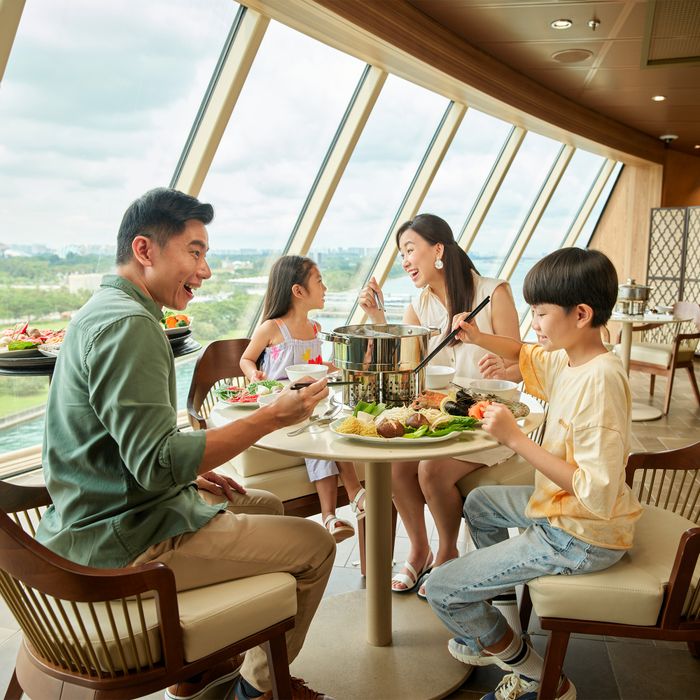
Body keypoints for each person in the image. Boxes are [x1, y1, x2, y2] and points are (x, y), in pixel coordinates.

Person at [36, 188, 336, 700]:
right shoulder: (131, 326)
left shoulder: (102, 310)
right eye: (194, 252)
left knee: (265, 503)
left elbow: (124, 441)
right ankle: (259, 691)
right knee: (316, 546)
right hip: (128, 540)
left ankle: (201, 673)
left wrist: (189, 472)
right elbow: (156, 464)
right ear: (144, 250)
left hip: (96, 514)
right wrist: (269, 417)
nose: (205, 270)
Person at [425, 247, 643, 700]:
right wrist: (478, 336)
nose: (534, 323)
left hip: (581, 535)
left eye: (541, 313)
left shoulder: (601, 382)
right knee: (479, 503)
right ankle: (503, 622)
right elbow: (525, 352)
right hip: (563, 513)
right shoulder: (572, 358)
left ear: (580, 314)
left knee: (442, 588)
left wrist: (515, 440)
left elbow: (594, 491)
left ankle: (540, 680)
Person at [359, 213, 521, 597]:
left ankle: (447, 552)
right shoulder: (419, 307)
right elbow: (406, 372)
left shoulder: (492, 292)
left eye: (409, 250)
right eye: (401, 254)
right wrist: (378, 319)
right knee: (396, 465)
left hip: (488, 420)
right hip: (442, 418)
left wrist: (504, 366)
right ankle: (419, 549)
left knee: (430, 469)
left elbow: (522, 360)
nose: (405, 261)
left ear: (438, 250)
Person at [240, 255, 366, 543]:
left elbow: (319, 367)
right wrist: (253, 374)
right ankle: (337, 508)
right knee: (319, 437)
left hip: (312, 403)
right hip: (283, 407)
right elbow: (246, 359)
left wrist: (351, 365)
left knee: (334, 425)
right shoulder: (271, 328)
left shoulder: (315, 328)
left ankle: (345, 505)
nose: (325, 287)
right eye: (319, 281)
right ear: (298, 290)